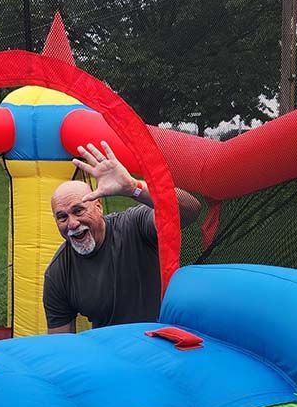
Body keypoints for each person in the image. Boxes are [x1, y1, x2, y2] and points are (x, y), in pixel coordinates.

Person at [44, 141, 202, 333]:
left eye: (78, 210)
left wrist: (133, 188)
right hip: (112, 353)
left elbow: (190, 210)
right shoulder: (58, 273)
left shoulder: (134, 224)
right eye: (62, 217)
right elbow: (61, 343)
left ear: (98, 207)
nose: (72, 223)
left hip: (164, 342)